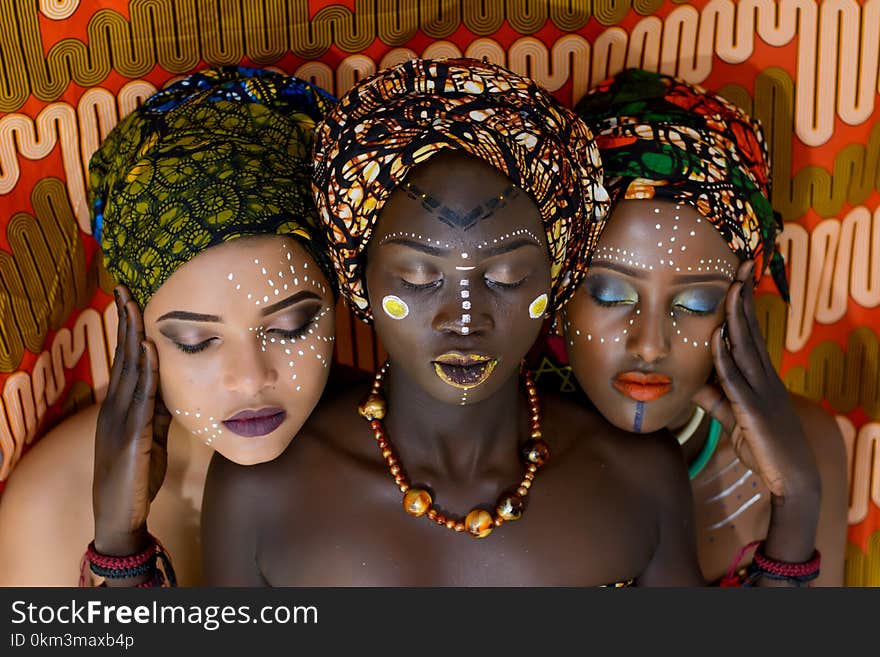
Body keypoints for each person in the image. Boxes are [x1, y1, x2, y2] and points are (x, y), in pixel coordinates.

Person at [201, 58, 708, 586]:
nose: (464, 320)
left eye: (508, 276)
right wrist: (121, 554)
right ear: (358, 280)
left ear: (556, 281)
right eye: (419, 279)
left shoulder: (638, 477)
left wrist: (795, 512)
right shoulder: (262, 493)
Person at [0, 66, 342, 586]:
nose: (249, 379)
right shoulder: (51, 499)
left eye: (290, 326)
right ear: (135, 334)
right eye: (197, 341)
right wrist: (118, 542)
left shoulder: (406, 470)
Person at [542, 68, 846, 585]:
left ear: (742, 300)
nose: (650, 344)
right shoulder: (510, 459)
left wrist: (795, 502)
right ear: (559, 288)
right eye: (611, 294)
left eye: (697, 303)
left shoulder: (804, 446)